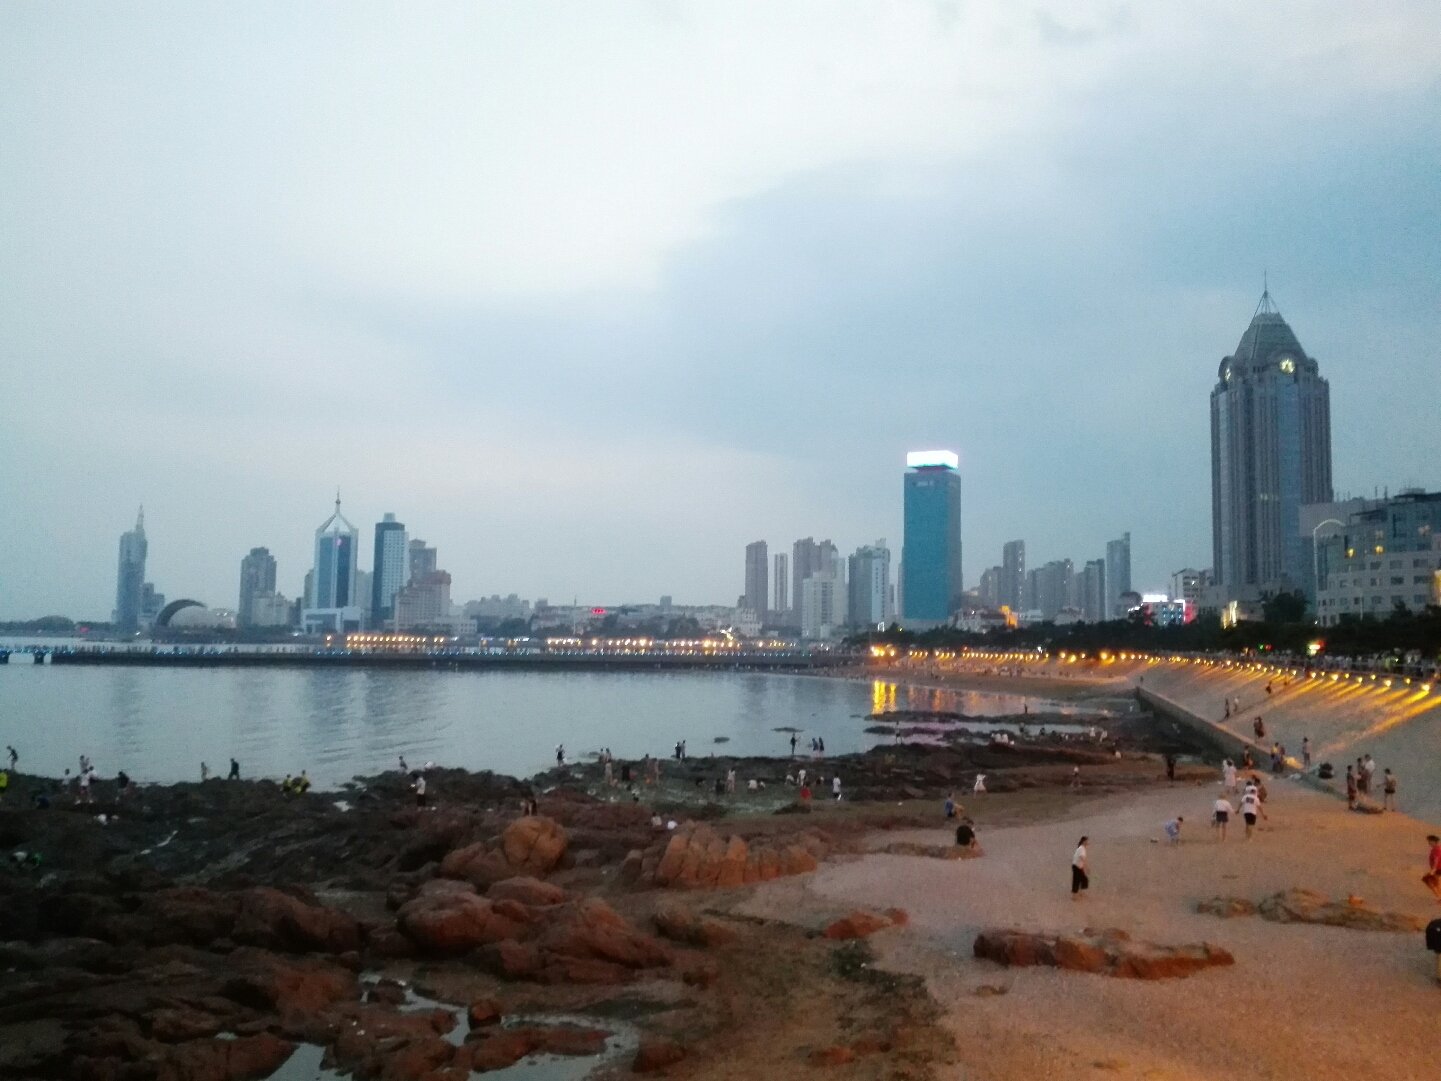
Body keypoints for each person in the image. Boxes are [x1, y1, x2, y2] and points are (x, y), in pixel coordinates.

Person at [1423, 834, 1441, 901]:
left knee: (1430, 881)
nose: (1429, 842)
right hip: (1437, 868)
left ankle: (1439, 896)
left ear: (1434, 841)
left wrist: (1433, 869)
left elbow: (1436, 859)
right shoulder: (1435, 849)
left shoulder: (1437, 849)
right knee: (1435, 882)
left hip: (1438, 869)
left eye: (1430, 841)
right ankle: (1439, 896)